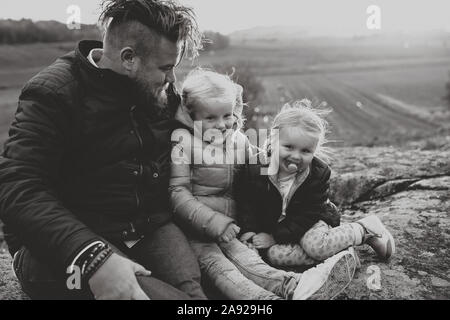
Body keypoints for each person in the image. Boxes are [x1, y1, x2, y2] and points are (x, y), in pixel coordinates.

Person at [0, 0, 206, 300]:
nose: (172, 79)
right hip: (61, 248)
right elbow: (18, 186)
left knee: (197, 299)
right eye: (166, 68)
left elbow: (197, 137)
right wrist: (91, 256)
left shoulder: (154, 91)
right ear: (129, 59)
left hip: (145, 230)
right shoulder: (53, 92)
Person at [169, 70, 357, 300]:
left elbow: (260, 169)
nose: (222, 125)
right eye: (210, 118)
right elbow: (177, 193)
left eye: (227, 115)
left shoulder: (239, 140)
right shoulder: (182, 145)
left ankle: (293, 287)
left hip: (234, 229)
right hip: (196, 231)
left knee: (248, 261)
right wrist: (214, 222)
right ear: (191, 116)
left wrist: (290, 169)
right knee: (220, 270)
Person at [236, 99, 395, 272]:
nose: (296, 156)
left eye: (305, 151)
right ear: (273, 141)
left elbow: (307, 215)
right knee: (274, 256)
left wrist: (275, 236)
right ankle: (339, 251)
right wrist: (249, 231)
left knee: (315, 247)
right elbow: (247, 204)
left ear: (314, 151)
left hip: (308, 222)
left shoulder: (317, 175)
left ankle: (363, 229)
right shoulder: (255, 169)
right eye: (289, 147)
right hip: (277, 226)